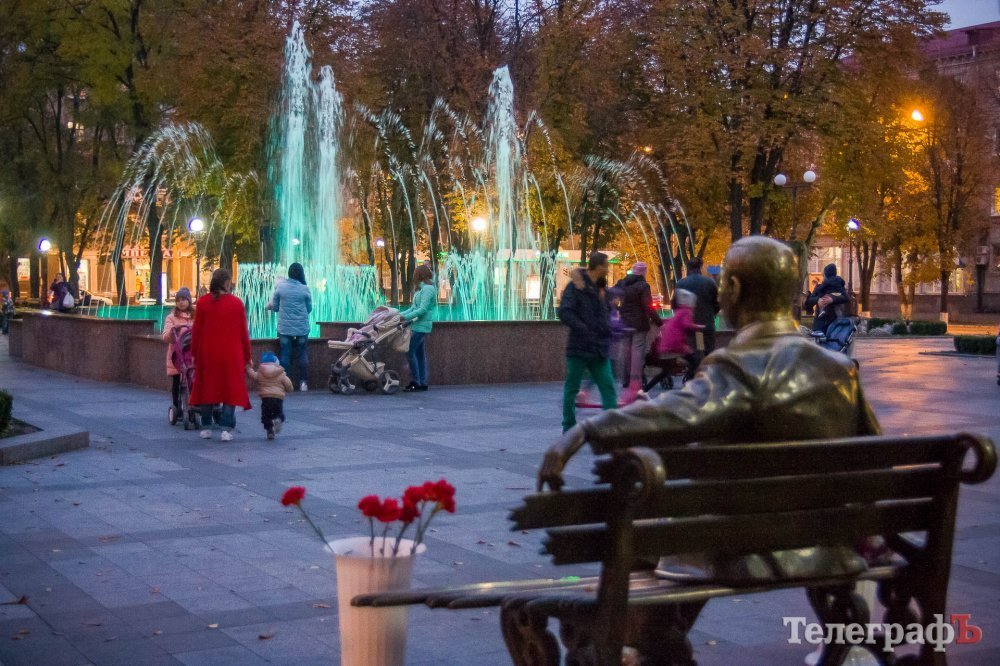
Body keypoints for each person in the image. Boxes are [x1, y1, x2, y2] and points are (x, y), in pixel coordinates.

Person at [539, 236, 880, 582]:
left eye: (723, 283)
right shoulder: (841, 369)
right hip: (830, 549)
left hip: (748, 553)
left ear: (734, 288)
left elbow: (676, 415)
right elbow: (874, 454)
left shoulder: (738, 365)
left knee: (650, 526)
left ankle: (639, 614)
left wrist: (585, 430)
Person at [189, 268, 252, 441]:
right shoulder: (237, 304)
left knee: (207, 388)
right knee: (230, 390)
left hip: (208, 353)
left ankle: (206, 427)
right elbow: (243, 333)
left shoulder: (203, 302)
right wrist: (247, 356)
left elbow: (196, 331)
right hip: (232, 354)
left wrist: (194, 353)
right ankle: (226, 429)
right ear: (227, 283)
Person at [558, 252, 617, 432]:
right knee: (572, 388)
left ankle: (611, 426)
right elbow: (564, 312)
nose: (608, 269)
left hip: (599, 348)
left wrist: (607, 327)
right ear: (598, 266)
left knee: (608, 387)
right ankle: (569, 426)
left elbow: (604, 314)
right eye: (606, 266)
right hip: (579, 347)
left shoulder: (601, 288)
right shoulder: (576, 287)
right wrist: (583, 329)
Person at [614, 262, 663, 404]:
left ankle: (625, 379)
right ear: (643, 272)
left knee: (626, 351)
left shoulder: (622, 283)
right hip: (639, 324)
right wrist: (659, 322)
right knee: (637, 352)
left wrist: (618, 310)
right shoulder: (643, 286)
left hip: (625, 323)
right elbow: (647, 306)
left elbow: (611, 295)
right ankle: (635, 382)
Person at [267, 262, 313, 392]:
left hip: (285, 328)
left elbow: (275, 307)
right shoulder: (305, 289)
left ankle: (284, 383)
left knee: (285, 354)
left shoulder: (280, 288)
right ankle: (303, 383)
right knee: (302, 353)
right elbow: (309, 309)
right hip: (302, 328)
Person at [674, 258, 719, 378]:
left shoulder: (681, 283)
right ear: (700, 267)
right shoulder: (709, 283)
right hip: (706, 323)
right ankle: (707, 376)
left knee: (694, 351)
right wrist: (712, 313)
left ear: (688, 268)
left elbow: (675, 305)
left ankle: (693, 375)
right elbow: (717, 302)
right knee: (707, 350)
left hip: (690, 324)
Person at [401, 264, 437, 392]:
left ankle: (416, 382)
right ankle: (423, 382)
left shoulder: (428, 289)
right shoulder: (421, 288)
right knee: (419, 355)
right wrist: (399, 315)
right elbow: (413, 308)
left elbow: (422, 309)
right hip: (416, 325)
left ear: (419, 275)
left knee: (409, 352)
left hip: (421, 326)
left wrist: (405, 317)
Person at [162, 287, 195, 414]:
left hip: (192, 355)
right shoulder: (171, 318)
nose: (181, 302)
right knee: (176, 382)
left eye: (184, 299)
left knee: (194, 380)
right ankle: (176, 406)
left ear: (189, 301)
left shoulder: (195, 316)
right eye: (178, 300)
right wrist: (172, 331)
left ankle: (194, 404)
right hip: (177, 355)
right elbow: (165, 336)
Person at [246, 351, 293, 440]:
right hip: (278, 398)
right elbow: (288, 384)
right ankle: (278, 419)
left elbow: (253, 375)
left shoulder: (261, 372)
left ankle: (269, 431)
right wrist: (290, 389)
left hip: (266, 398)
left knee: (266, 415)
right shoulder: (281, 372)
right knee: (278, 412)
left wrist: (248, 368)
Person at [654, 289, 703, 357]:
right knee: (694, 353)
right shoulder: (687, 311)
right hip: (675, 344)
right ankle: (700, 359)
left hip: (665, 345)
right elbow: (687, 324)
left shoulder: (679, 311)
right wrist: (699, 326)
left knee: (690, 351)